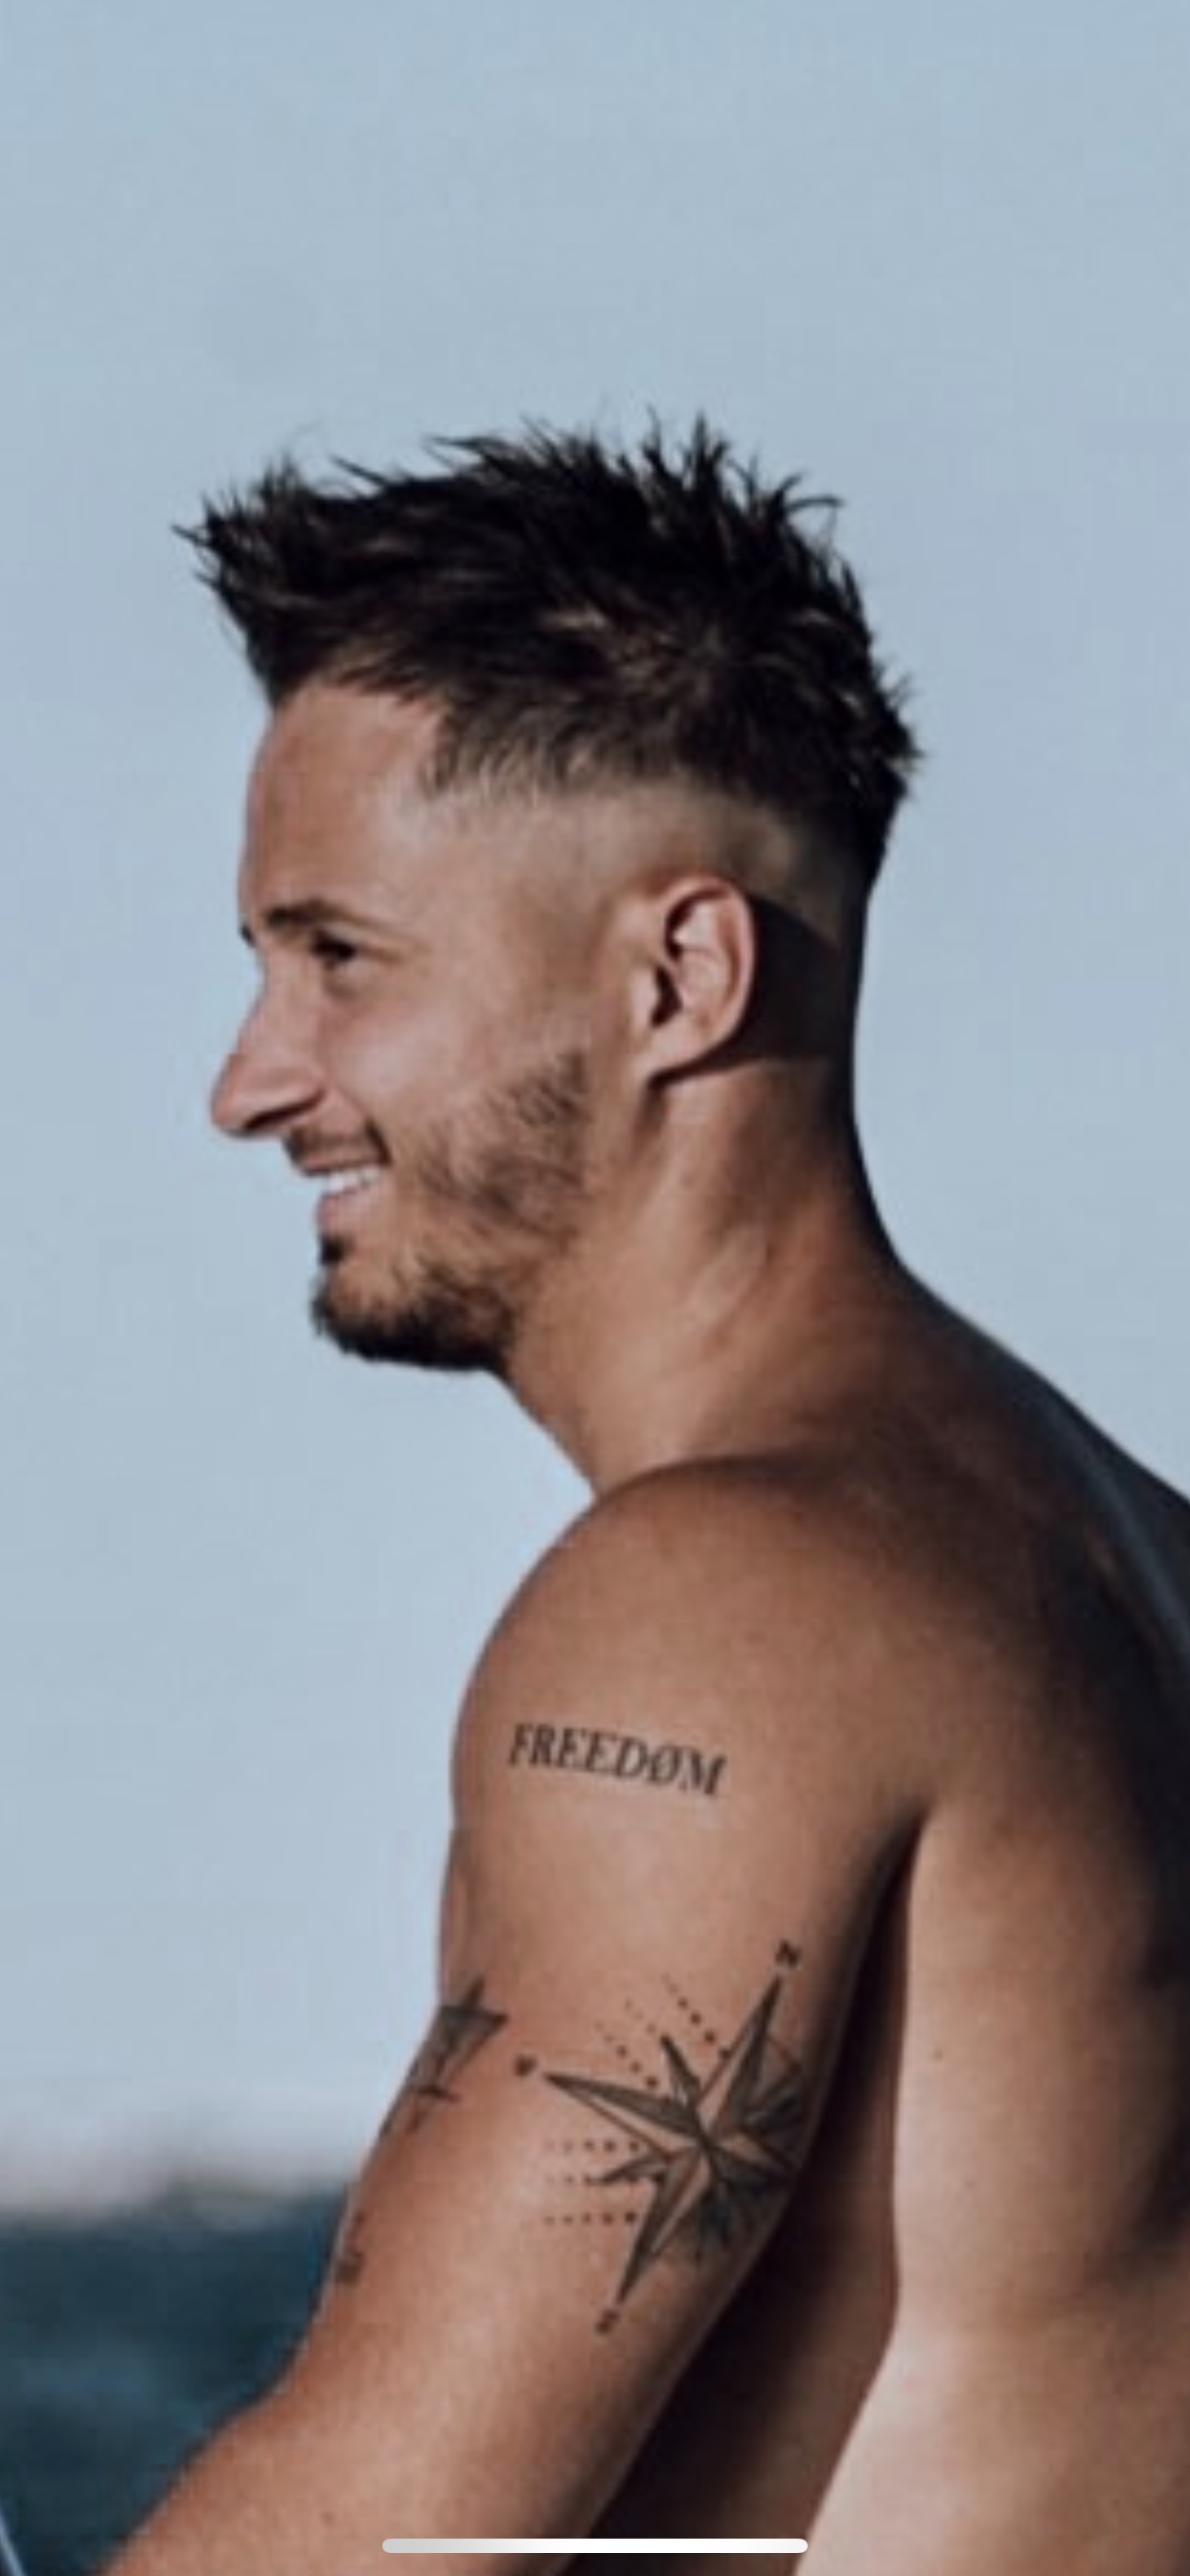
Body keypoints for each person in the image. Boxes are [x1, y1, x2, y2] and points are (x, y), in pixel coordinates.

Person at [107, 425, 1190, 2576]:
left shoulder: (723, 1603)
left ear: (679, 978)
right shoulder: (1131, 1555)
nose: (249, 1079)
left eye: (340, 957)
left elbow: (391, 2535)